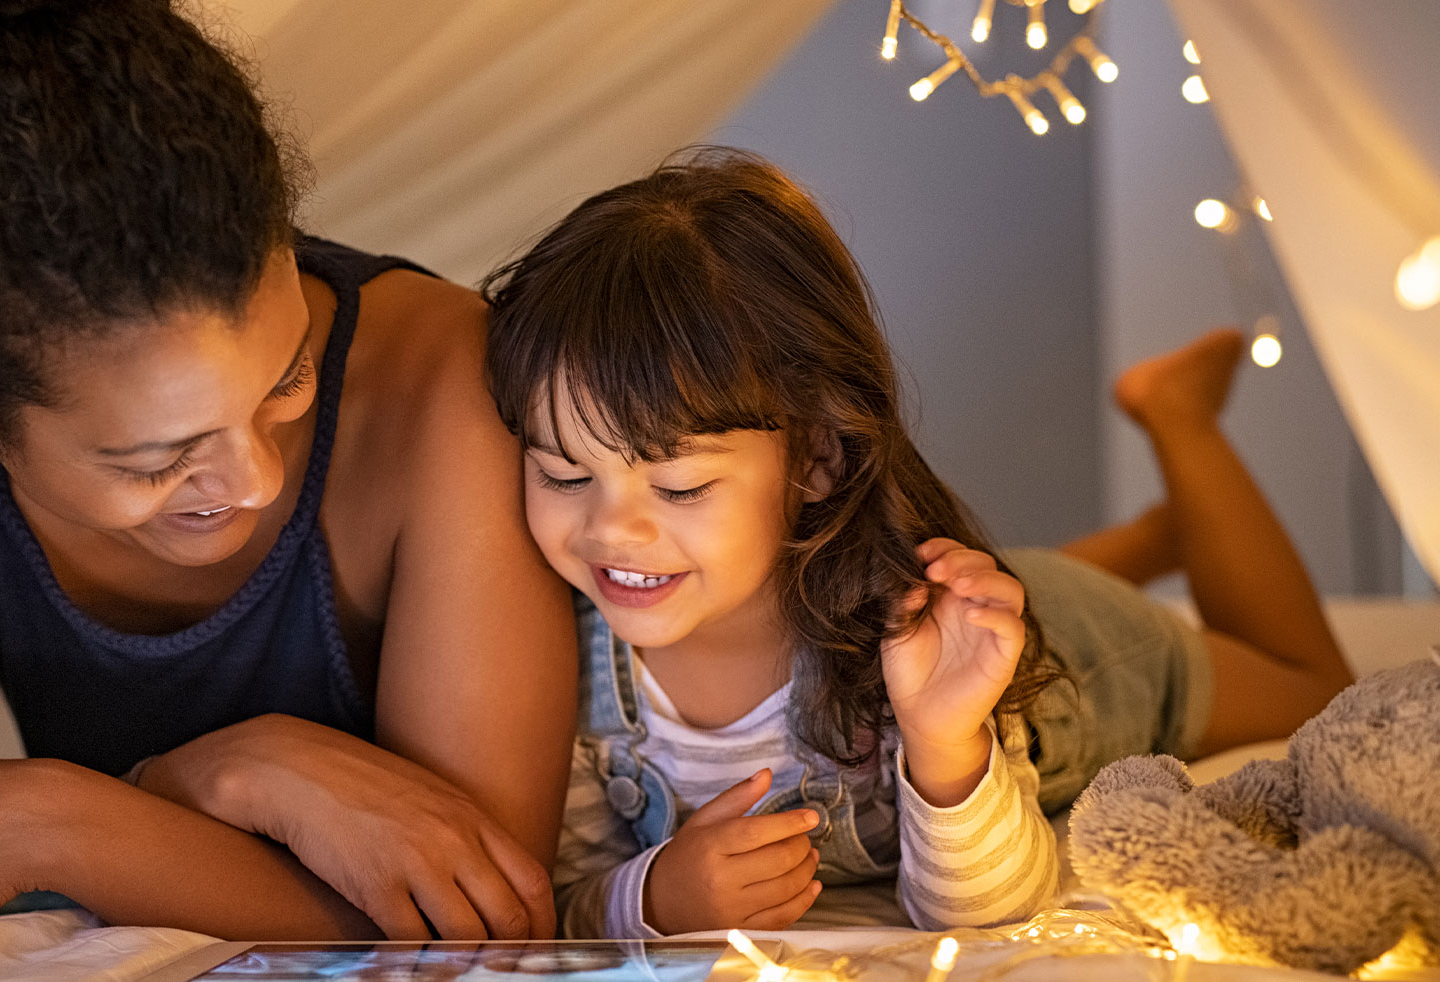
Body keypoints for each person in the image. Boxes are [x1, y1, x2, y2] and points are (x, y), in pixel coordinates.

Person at [0, 0, 576, 940]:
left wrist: (78, 811)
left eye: (289, 377)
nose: (255, 478)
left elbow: (485, 926)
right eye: (158, 459)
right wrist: (160, 798)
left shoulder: (443, 382)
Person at [476, 148, 1354, 937]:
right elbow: (561, 891)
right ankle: (1156, 537)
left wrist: (943, 744)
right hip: (944, 587)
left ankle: (1178, 417)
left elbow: (990, 907)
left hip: (1072, 657)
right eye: (561, 474)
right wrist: (652, 897)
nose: (609, 528)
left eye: (679, 487)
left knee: (1314, 689)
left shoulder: (911, 651)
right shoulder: (567, 664)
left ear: (816, 456)